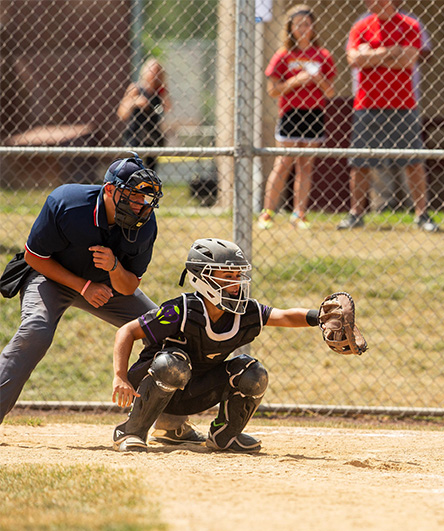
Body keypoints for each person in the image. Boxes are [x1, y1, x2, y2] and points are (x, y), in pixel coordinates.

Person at [110, 238, 333, 453]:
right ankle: (131, 432)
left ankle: (224, 436)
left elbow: (283, 316)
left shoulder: (243, 311)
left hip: (194, 392)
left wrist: (320, 317)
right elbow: (127, 331)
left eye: (238, 275)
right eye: (227, 276)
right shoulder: (181, 311)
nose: (236, 282)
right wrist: (120, 376)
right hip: (154, 383)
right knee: (173, 363)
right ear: (202, 278)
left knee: (253, 372)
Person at [0, 155, 170, 427]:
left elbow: (129, 285)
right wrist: (83, 286)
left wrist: (114, 266)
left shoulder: (145, 224)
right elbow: (34, 257)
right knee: (36, 330)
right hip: (50, 276)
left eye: (145, 199)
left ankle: (170, 423)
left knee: (164, 328)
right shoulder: (68, 203)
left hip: (107, 287)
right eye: (133, 196)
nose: (140, 205)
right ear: (110, 190)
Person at [338, 0, 439, 232]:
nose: (370, 3)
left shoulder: (410, 24)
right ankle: (356, 213)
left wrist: (370, 55)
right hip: (366, 104)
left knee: (413, 160)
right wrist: (389, 52)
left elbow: (408, 61)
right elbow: (353, 60)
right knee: (360, 161)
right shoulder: (360, 26)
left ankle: (422, 214)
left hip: (403, 104)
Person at [258, 4, 336, 231]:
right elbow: (272, 90)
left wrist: (318, 79)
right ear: (290, 28)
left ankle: (299, 213)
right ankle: (268, 212)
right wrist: (296, 81)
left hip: (314, 114)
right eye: (298, 24)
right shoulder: (284, 55)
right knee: (283, 163)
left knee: (305, 166)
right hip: (291, 114)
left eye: (307, 24)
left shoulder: (322, 55)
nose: (303, 28)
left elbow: (330, 92)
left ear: (313, 27)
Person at [117, 58, 170, 171]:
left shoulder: (160, 91)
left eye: (157, 71)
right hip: (135, 134)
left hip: (152, 135)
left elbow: (167, 108)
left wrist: (163, 91)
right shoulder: (136, 88)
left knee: (151, 170)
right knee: (132, 168)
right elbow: (122, 113)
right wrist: (135, 102)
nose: (154, 74)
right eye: (152, 70)